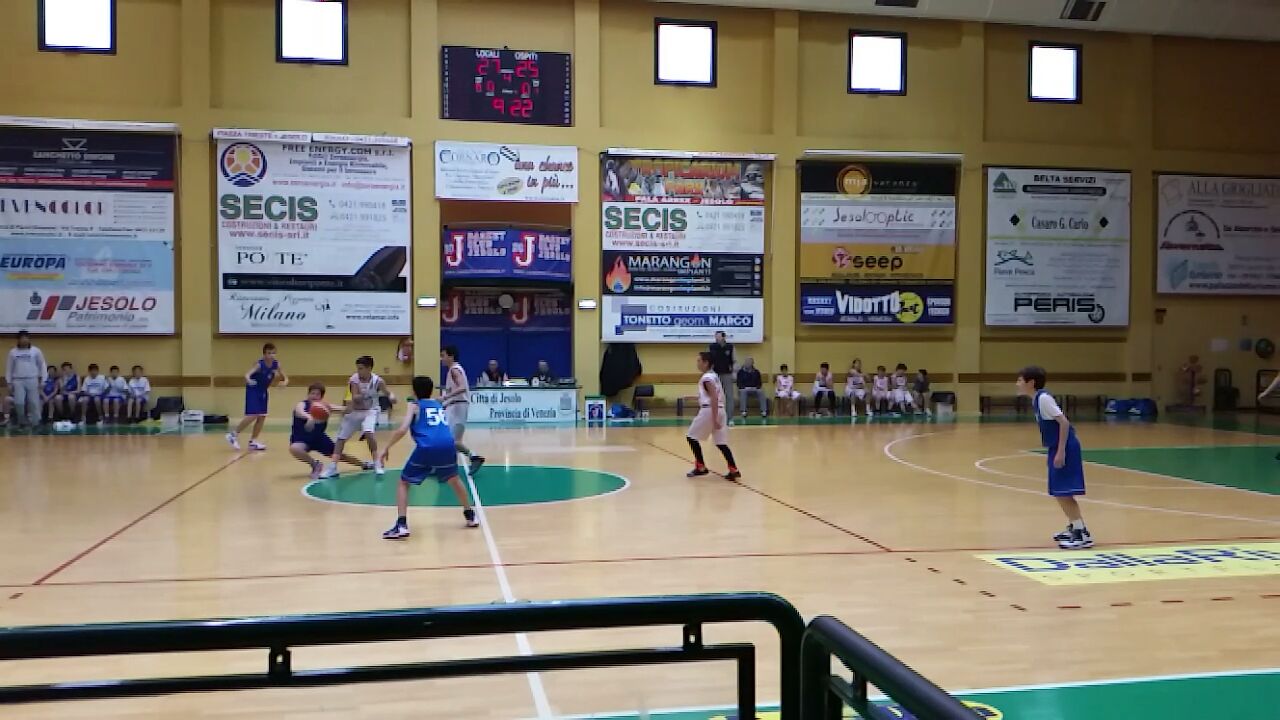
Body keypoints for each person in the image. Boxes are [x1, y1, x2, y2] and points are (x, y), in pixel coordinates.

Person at [378, 375, 480, 538]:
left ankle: (401, 525)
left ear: (414, 390)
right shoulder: (437, 404)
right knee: (454, 479)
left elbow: (402, 429)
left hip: (428, 446)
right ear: (431, 390)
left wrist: (386, 448)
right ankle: (470, 516)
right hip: (448, 444)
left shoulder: (414, 405)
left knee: (403, 482)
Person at [1016, 366, 1092, 549]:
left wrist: (1061, 451)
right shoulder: (1037, 399)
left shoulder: (1043, 399)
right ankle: (1075, 525)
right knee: (1058, 491)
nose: (1017, 384)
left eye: (1020, 380)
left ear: (1031, 382)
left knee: (1064, 492)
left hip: (1065, 446)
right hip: (1056, 446)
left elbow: (1064, 422)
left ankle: (1081, 534)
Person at [289, 383, 368, 481]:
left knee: (340, 455)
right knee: (294, 448)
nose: (314, 396)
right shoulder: (302, 404)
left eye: (317, 394)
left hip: (319, 438)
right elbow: (299, 411)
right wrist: (309, 417)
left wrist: (355, 403)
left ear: (321, 397)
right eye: (312, 393)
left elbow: (346, 410)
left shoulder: (325, 407)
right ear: (308, 394)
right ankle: (315, 465)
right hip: (302, 439)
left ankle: (363, 464)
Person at [329, 356, 387, 477]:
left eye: (361, 368)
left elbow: (387, 393)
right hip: (355, 411)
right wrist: (366, 394)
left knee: (369, 433)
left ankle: (377, 463)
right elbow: (355, 397)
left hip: (370, 411)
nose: (358, 371)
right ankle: (332, 467)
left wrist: (391, 397)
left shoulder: (378, 381)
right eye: (358, 368)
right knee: (341, 438)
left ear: (369, 368)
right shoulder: (354, 379)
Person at [686, 351, 741, 481]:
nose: (697, 363)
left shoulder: (707, 378)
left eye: (699, 361)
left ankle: (701, 467)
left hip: (710, 411)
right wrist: (692, 397)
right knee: (721, 443)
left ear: (706, 363)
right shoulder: (714, 376)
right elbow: (712, 395)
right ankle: (733, 469)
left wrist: (715, 418)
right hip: (720, 410)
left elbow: (714, 397)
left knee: (691, 436)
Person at [227, 343, 287, 451]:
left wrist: (284, 383)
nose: (271, 355)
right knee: (253, 414)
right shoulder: (259, 365)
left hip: (263, 391)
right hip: (253, 389)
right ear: (264, 354)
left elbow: (285, 378)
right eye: (269, 353)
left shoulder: (276, 364)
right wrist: (249, 380)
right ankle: (233, 435)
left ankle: (253, 442)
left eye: (273, 353)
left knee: (262, 416)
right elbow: (247, 375)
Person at [440, 345, 485, 476]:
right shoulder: (454, 369)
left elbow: (462, 387)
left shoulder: (454, 370)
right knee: (454, 441)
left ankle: (446, 465)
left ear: (451, 356)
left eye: (443, 355)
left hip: (458, 407)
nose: (441, 359)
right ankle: (473, 457)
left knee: (449, 440)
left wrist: (445, 397)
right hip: (456, 406)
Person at [5, 330, 47, 429]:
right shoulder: (13, 352)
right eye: (22, 338)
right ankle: (22, 422)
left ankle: (36, 422)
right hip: (17, 380)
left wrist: (43, 380)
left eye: (26, 338)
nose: (24, 340)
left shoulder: (36, 351)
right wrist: (9, 382)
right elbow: (9, 368)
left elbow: (42, 365)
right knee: (19, 402)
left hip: (32, 379)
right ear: (18, 340)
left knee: (33, 402)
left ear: (29, 339)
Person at [709, 331, 736, 421]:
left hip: (727, 374)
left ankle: (730, 418)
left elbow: (734, 361)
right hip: (715, 374)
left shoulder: (730, 347)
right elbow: (709, 361)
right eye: (716, 336)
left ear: (723, 337)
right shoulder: (711, 347)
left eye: (718, 336)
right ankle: (715, 417)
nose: (716, 338)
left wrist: (734, 372)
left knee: (729, 396)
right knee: (715, 395)